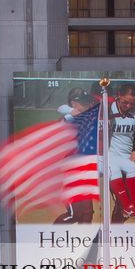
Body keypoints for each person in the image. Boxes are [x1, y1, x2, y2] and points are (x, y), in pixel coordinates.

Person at [53, 87, 97, 224]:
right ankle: (50, 238)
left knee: (87, 214)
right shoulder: (68, 119)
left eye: (86, 102)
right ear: (73, 104)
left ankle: (84, 243)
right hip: (71, 171)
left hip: (84, 170)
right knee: (75, 215)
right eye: (82, 103)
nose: (87, 106)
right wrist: (71, 113)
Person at [108, 83, 135, 219]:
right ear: (118, 96)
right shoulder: (107, 110)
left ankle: (113, 233)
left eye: (131, 103)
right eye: (125, 102)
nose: (128, 106)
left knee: (134, 204)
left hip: (128, 159)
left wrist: (130, 163)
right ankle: (110, 237)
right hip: (111, 160)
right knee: (122, 205)